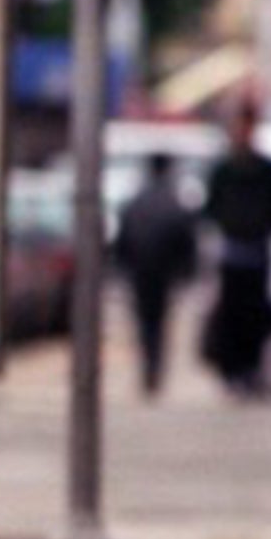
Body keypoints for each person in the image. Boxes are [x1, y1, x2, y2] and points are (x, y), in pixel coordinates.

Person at [200, 97, 271, 395]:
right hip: (234, 253)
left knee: (255, 318)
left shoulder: (269, 171)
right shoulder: (224, 170)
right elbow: (211, 209)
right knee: (231, 317)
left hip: (258, 252)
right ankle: (233, 371)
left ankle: (249, 369)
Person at [113, 152, 199, 398]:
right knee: (159, 325)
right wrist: (186, 272)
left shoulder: (137, 202)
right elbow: (186, 241)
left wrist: (123, 268)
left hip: (142, 272)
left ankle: (148, 372)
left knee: (144, 324)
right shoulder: (174, 203)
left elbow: (123, 241)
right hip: (163, 274)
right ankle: (154, 372)